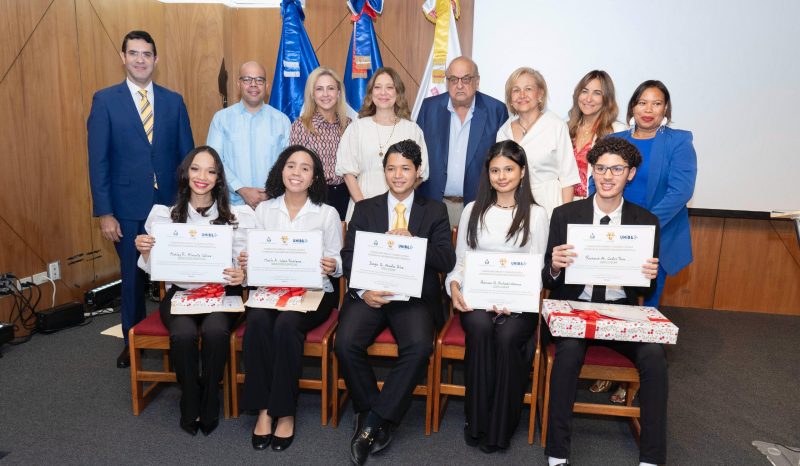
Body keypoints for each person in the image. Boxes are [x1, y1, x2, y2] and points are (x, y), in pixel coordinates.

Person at [543, 137, 665, 466]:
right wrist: (555, 266)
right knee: (568, 354)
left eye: (617, 169)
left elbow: (647, 287)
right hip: (575, 311)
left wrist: (649, 274)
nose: (608, 176)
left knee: (655, 357)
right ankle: (557, 453)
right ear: (591, 172)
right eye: (600, 168)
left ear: (631, 173)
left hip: (621, 314)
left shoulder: (646, 222)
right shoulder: (565, 215)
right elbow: (547, 280)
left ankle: (652, 458)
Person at [335, 140, 455, 465]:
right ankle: (374, 411)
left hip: (413, 297)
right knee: (345, 343)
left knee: (419, 346)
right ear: (384, 172)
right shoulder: (365, 208)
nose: (398, 175)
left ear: (418, 172)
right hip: (371, 294)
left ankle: (372, 421)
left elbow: (446, 258)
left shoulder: (435, 210)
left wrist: (416, 243)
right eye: (391, 168)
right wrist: (363, 290)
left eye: (405, 168)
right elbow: (349, 256)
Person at [88, 30, 194, 368]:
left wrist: (191, 204)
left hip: (171, 205)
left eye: (147, 54)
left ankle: (183, 337)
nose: (140, 60)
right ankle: (132, 341)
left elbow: (188, 156)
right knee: (132, 279)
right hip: (126, 207)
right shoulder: (105, 100)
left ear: (155, 59)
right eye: (133, 53)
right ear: (123, 57)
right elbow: (98, 161)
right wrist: (105, 212)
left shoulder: (174, 101)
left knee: (180, 273)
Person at [134, 146, 253, 436]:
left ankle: (210, 396)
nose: (202, 177)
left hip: (222, 294)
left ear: (219, 178)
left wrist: (243, 273)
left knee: (215, 332)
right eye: (196, 169)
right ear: (186, 173)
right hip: (181, 294)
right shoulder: (164, 217)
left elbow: (245, 265)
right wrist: (146, 251)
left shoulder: (237, 217)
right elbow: (155, 270)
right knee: (184, 335)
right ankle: (189, 396)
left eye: (211, 171)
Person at [445, 140, 549, 453]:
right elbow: (460, 264)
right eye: (495, 170)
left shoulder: (536, 214)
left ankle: (500, 426)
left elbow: (539, 269)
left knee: (507, 337)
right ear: (487, 174)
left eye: (508, 169)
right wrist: (454, 287)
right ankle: (475, 420)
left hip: (519, 302)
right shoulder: (472, 210)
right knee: (480, 328)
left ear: (522, 172)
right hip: (477, 298)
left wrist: (515, 300)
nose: (501, 176)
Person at [238, 146, 343, 452]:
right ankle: (263, 409)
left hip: (314, 293)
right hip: (270, 291)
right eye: (291, 166)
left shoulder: (326, 213)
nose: (297, 173)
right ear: (281, 171)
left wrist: (332, 265)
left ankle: (284, 412)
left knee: (286, 325)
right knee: (257, 320)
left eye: (305, 168)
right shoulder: (264, 210)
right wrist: (247, 261)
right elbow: (253, 257)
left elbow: (338, 261)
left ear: (315, 177)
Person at [595, 80, 697, 308]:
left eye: (656, 104)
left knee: (646, 310)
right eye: (642, 103)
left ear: (665, 109)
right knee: (609, 303)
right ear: (633, 107)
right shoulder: (613, 142)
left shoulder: (678, 141)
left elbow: (681, 191)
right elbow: (596, 182)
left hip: (657, 234)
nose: (648, 110)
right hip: (612, 233)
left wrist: (643, 226)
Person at [416, 56, 509, 225]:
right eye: (453, 79)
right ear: (447, 82)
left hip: (479, 206)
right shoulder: (428, 108)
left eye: (466, 79)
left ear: (477, 81)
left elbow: (504, 160)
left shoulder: (496, 110)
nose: (459, 85)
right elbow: (416, 156)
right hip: (433, 204)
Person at [335, 67, 429, 221]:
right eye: (377, 87)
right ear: (371, 93)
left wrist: (399, 200)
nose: (383, 93)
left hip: (400, 210)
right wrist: (364, 208)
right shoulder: (357, 128)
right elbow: (348, 173)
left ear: (398, 93)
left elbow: (420, 173)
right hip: (362, 205)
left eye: (389, 87)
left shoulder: (412, 130)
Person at [496, 67, 579, 218]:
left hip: (550, 208)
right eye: (516, 90)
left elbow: (568, 179)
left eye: (528, 89)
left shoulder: (556, 126)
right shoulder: (504, 131)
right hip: (513, 208)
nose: (522, 95)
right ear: (510, 98)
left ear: (540, 94)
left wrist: (563, 219)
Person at [207, 61, 291, 209]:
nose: (253, 84)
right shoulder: (221, 119)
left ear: (266, 86)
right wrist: (241, 189)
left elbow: (289, 163)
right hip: (232, 206)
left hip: (273, 205)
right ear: (239, 84)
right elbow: (214, 160)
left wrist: (270, 192)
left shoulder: (282, 121)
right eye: (247, 79)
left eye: (259, 80)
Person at [289, 67, 351, 220]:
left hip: (344, 194)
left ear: (338, 93)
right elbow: (295, 167)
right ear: (312, 94)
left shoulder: (349, 125)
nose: (325, 94)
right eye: (319, 89)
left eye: (330, 88)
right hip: (312, 195)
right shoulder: (301, 126)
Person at [566, 70, 627, 199]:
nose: (588, 98)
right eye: (584, 91)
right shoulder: (565, 128)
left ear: (606, 99)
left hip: (597, 203)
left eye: (597, 93)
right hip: (563, 202)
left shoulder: (618, 131)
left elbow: (620, 175)